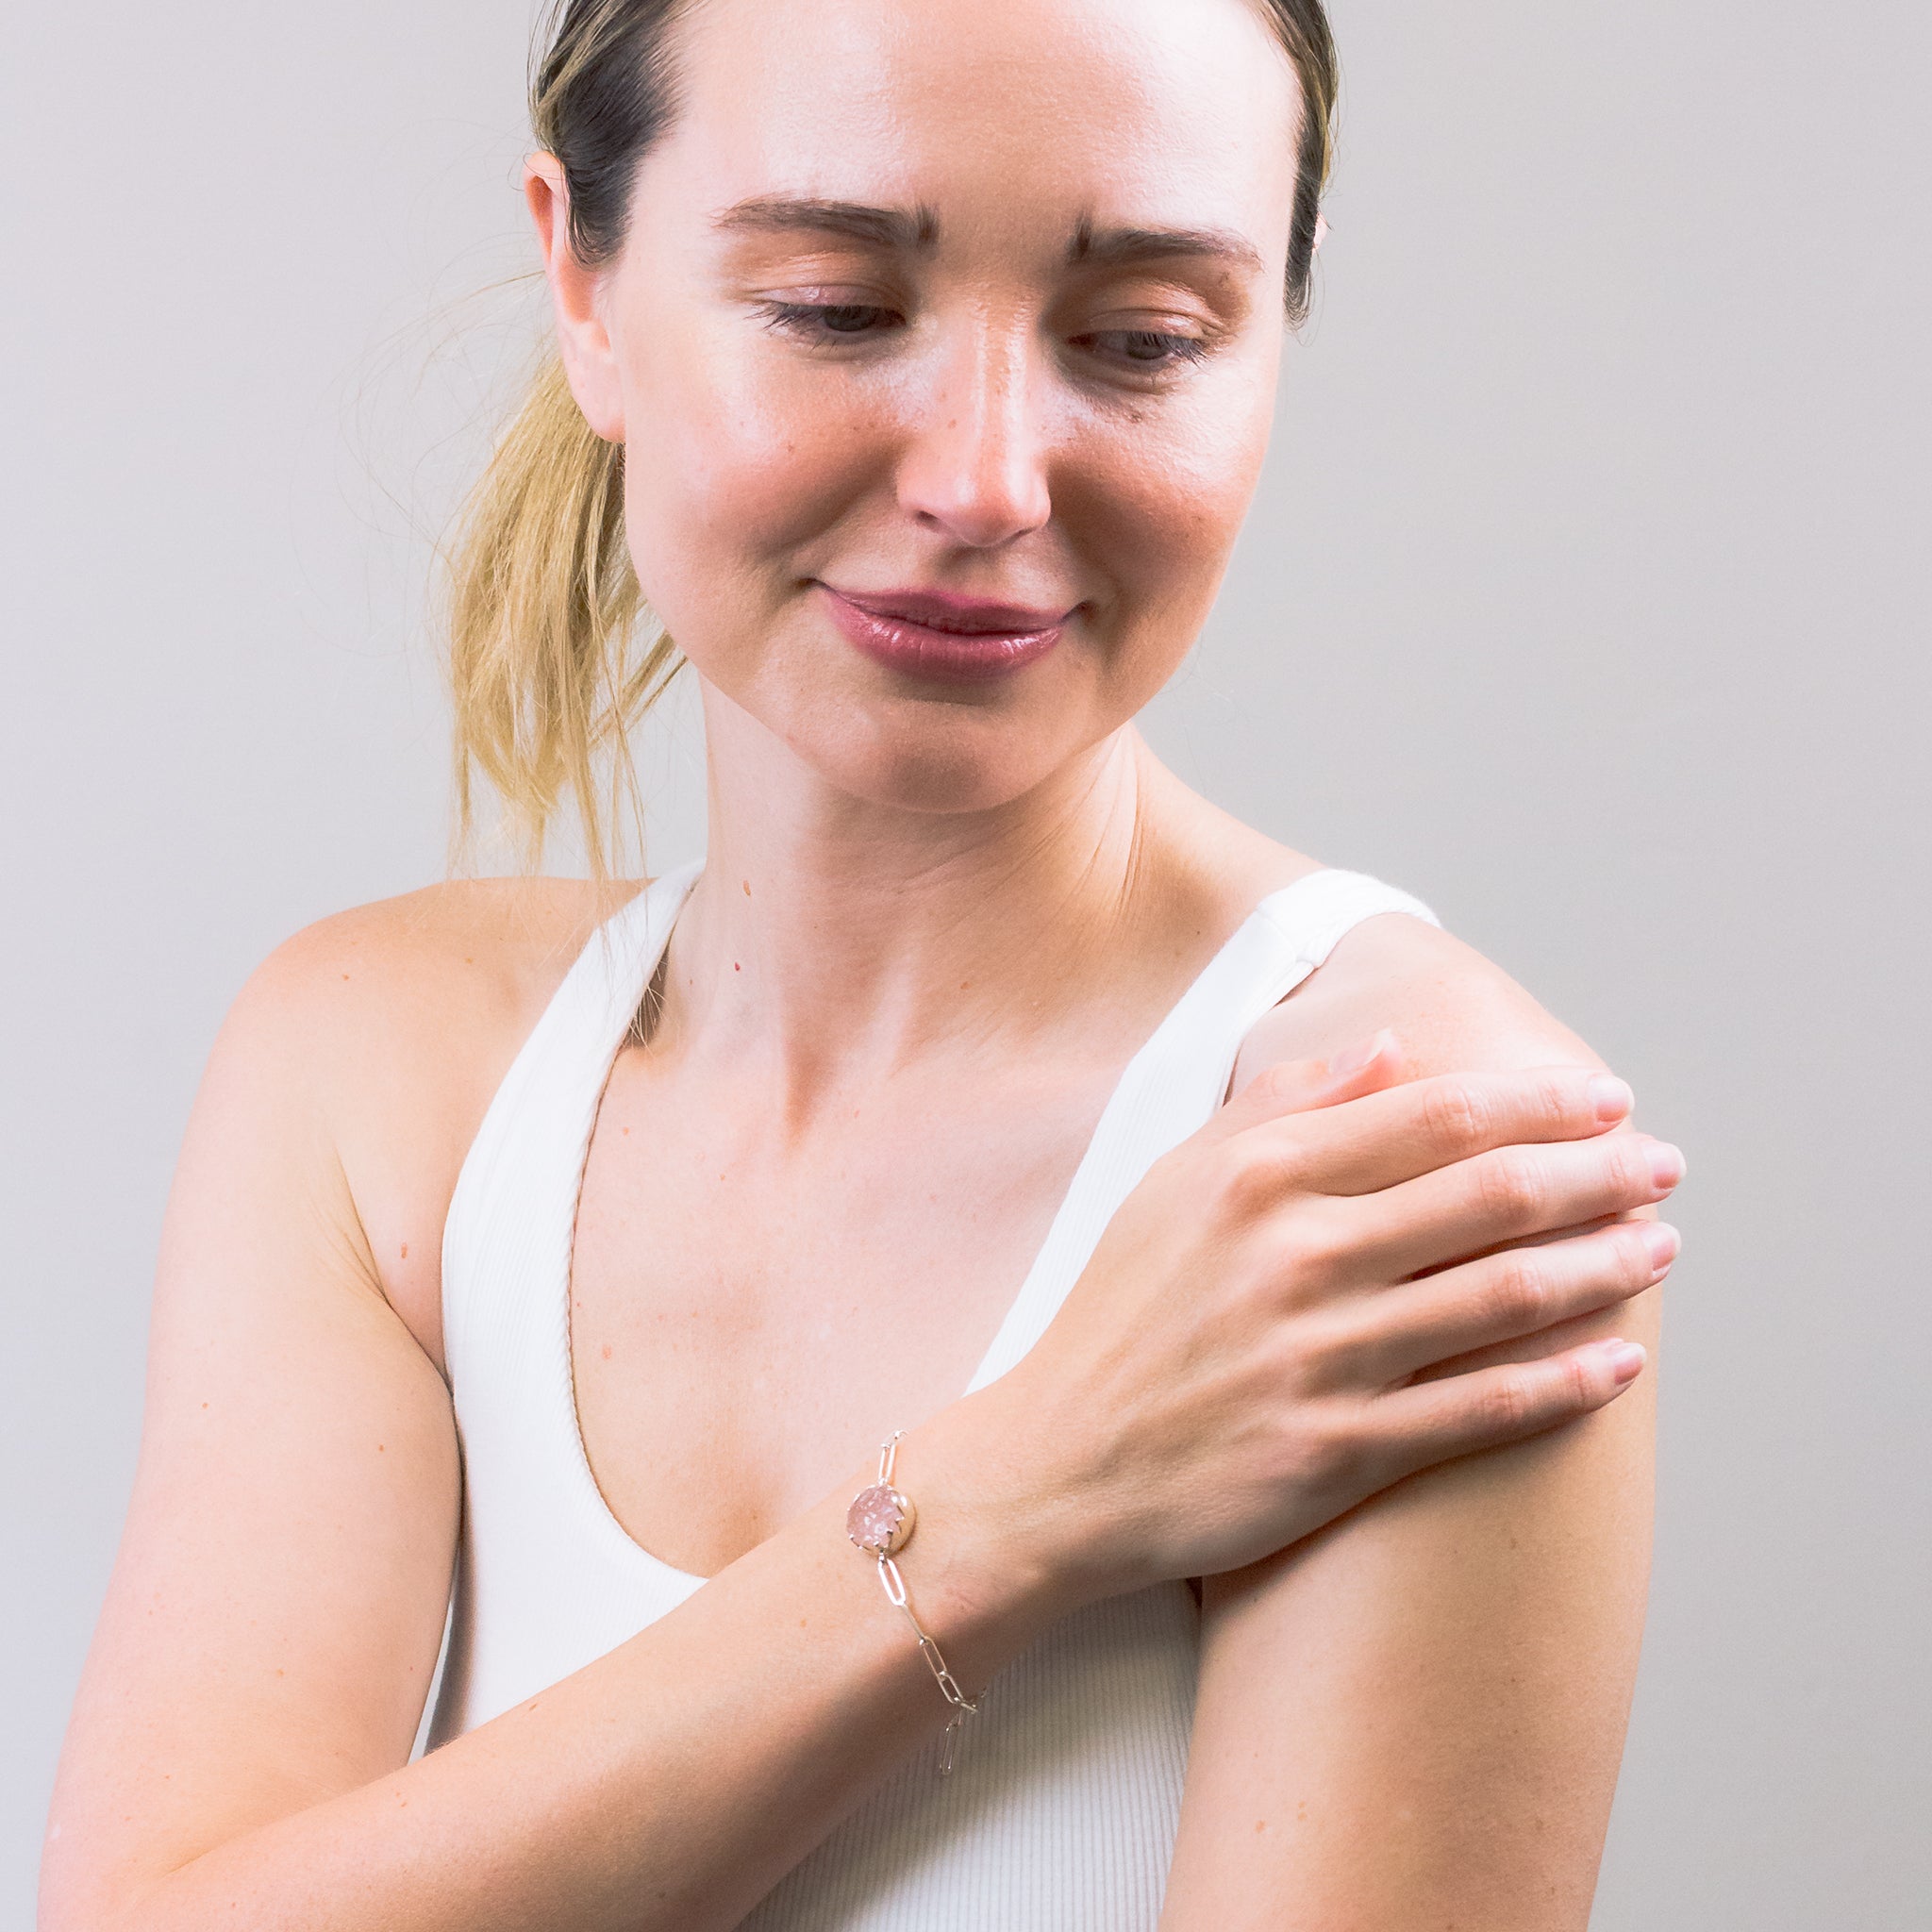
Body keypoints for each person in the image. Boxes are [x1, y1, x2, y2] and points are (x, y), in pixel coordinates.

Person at [40, 1, 1681, 1926]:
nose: (985, 480)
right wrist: (1013, 1505)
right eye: (832, 303)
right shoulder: (385, 1077)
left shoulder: (1407, 1163)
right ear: (584, 282)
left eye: (1143, 339)